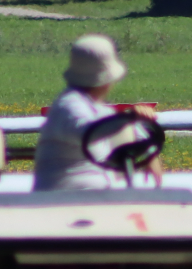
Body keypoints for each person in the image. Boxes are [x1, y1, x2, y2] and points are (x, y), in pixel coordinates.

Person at [34, 34, 152, 191]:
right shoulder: (68, 105)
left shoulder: (100, 109)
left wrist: (149, 150)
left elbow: (131, 132)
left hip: (98, 196)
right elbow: (87, 133)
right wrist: (130, 117)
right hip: (60, 199)